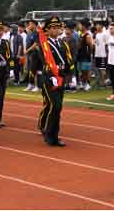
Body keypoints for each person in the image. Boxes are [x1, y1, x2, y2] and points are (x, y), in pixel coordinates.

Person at [37, 16, 75, 147]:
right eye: (53, 28)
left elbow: (68, 60)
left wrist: (71, 76)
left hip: (61, 78)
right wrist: (50, 75)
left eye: (58, 27)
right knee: (55, 105)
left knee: (58, 108)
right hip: (49, 79)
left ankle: (55, 135)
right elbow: (43, 60)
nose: (56, 30)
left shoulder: (63, 43)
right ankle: (48, 132)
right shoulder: (44, 44)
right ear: (47, 30)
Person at [77, 19, 94, 91]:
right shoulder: (80, 34)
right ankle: (83, 83)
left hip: (85, 56)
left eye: (80, 25)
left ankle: (87, 84)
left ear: (83, 26)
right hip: (79, 55)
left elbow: (91, 46)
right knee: (81, 70)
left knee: (85, 71)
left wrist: (89, 54)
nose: (79, 26)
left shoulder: (87, 35)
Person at [94, 21, 108, 88]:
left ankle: (104, 83)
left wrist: (106, 53)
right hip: (97, 54)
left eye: (98, 25)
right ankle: (100, 82)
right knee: (98, 69)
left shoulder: (104, 34)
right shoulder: (97, 34)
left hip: (103, 55)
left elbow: (106, 44)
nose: (96, 26)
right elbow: (97, 43)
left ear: (101, 26)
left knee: (103, 69)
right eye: (96, 25)